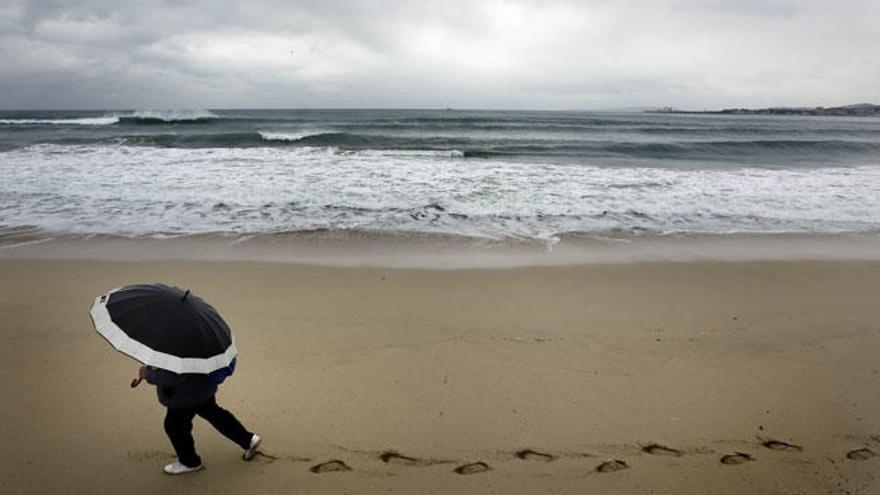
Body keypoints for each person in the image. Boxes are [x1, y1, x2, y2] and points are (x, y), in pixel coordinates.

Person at [137, 365, 261, 475]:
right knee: (215, 414)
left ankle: (189, 461)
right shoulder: (204, 341)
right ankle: (248, 439)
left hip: (182, 397)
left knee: (174, 426)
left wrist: (148, 374)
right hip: (204, 388)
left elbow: (173, 377)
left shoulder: (176, 346)